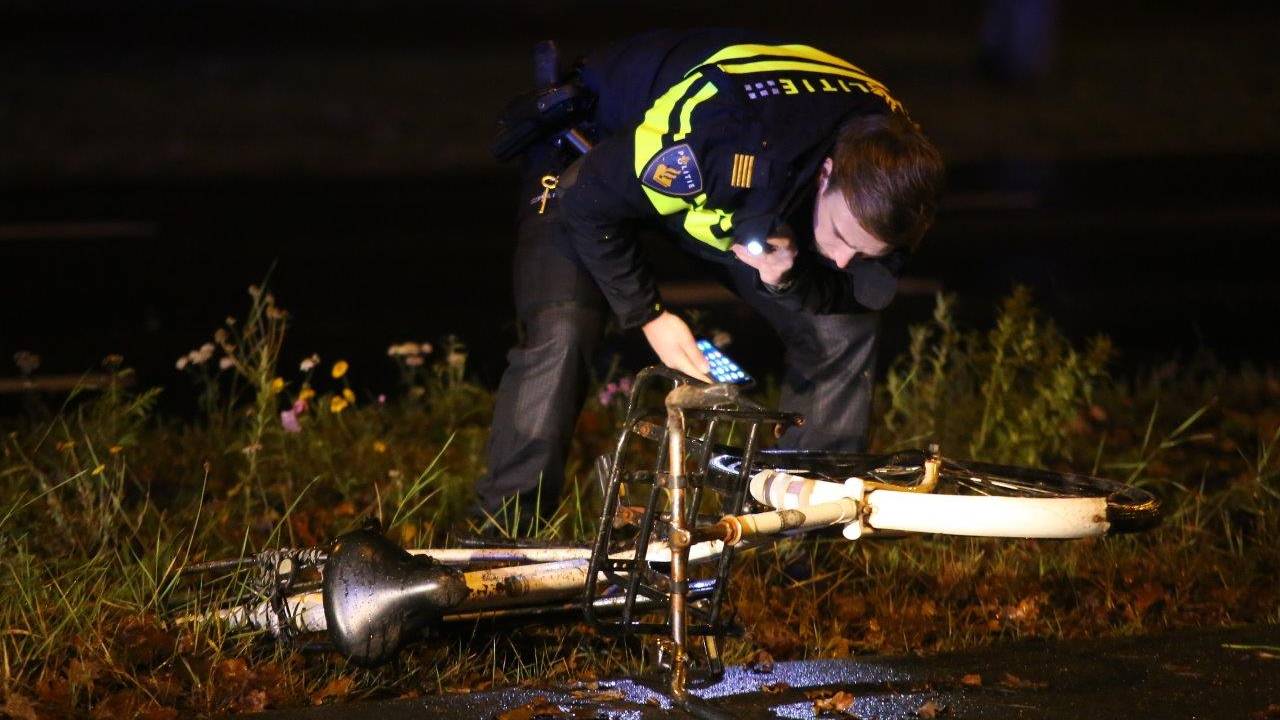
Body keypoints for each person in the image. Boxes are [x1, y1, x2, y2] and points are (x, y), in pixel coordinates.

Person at [477, 29, 944, 527]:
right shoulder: (724, 147)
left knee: (842, 329)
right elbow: (590, 201)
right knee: (563, 331)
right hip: (592, 156)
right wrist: (648, 315)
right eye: (839, 236)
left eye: (865, 250)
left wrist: (787, 279)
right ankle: (505, 528)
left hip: (739, 197)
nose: (844, 258)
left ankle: (799, 534)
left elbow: (850, 290)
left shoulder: (899, 177)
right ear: (826, 174)